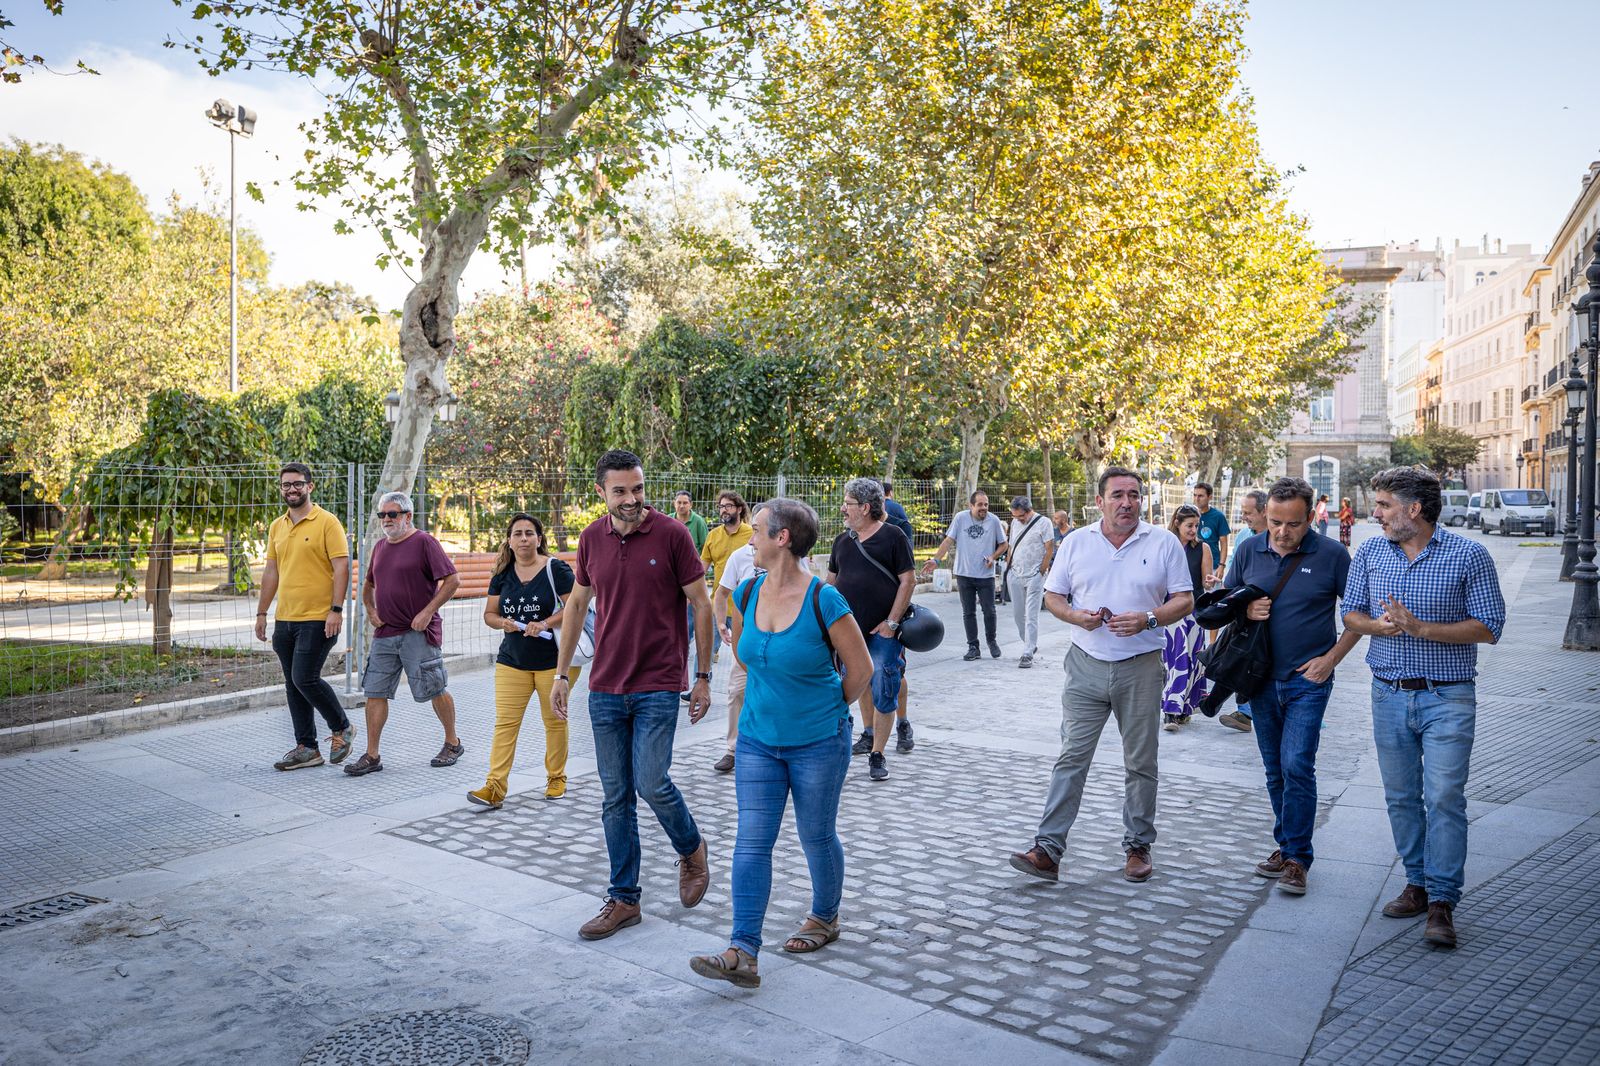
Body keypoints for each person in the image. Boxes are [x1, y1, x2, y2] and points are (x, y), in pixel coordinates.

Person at [688, 498, 873, 989]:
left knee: (815, 834)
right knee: (752, 841)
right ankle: (742, 949)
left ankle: (825, 916)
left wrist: (831, 711)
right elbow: (749, 658)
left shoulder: (823, 599)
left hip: (817, 742)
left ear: (782, 538)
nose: (749, 535)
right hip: (757, 741)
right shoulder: (746, 594)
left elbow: (861, 670)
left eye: (757, 529)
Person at [551, 449, 715, 941]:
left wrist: (702, 675)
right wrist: (563, 673)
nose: (631, 499)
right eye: (620, 490)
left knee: (650, 781)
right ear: (600, 492)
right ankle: (624, 899)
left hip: (658, 683)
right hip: (604, 686)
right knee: (615, 796)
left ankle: (690, 848)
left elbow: (702, 606)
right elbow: (578, 603)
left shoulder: (672, 534)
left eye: (637, 489)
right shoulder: (589, 539)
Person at [1342, 466, 1504, 948]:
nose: (1377, 514)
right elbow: (1349, 612)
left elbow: (1490, 626)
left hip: (1447, 695)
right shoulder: (1371, 551)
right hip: (1387, 692)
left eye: (1385, 505)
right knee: (1400, 796)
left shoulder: (1469, 555)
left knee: (1445, 798)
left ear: (1415, 509)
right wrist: (1375, 627)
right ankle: (1416, 884)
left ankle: (1442, 902)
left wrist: (1422, 628)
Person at [1009, 467, 1193, 884]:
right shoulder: (1076, 542)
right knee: (1071, 757)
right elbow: (1054, 596)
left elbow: (1184, 599)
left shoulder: (1163, 542)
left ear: (1142, 500)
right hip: (1085, 664)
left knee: (1141, 761)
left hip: (1141, 667)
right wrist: (1077, 616)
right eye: (1117, 495)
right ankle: (1048, 850)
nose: (1126, 502)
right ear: (1100, 501)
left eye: (1133, 495)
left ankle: (1138, 846)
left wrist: (1148, 619)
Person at [1225, 478, 1360, 896]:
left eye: (1293, 524)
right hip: (1260, 678)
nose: (1282, 532)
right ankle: (1286, 846)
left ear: (1310, 519)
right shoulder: (1249, 548)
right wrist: (1245, 606)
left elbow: (1359, 615)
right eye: (1275, 522)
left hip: (1308, 681)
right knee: (1274, 769)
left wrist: (1331, 659)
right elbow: (1225, 600)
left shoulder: (1333, 555)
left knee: (1297, 764)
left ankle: (1298, 858)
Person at [345, 491, 464, 777]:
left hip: (418, 633)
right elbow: (367, 586)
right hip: (385, 635)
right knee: (374, 692)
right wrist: (371, 612)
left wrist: (427, 612)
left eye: (392, 514)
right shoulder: (379, 548)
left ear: (407, 516)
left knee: (435, 688)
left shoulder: (424, 542)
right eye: (382, 515)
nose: (386, 519)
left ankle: (453, 742)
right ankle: (372, 755)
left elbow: (453, 580)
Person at [468, 513, 581, 808]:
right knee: (505, 724)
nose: (523, 539)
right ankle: (494, 787)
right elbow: (489, 614)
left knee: (555, 721)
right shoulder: (502, 574)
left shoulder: (556, 569)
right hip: (512, 660)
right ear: (509, 540)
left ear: (539, 539)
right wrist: (502, 623)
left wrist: (545, 623)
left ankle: (556, 778)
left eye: (529, 533)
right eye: (517, 534)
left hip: (553, 662)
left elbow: (575, 608)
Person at [255, 463, 356, 771]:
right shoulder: (277, 526)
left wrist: (336, 610)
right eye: (286, 485)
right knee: (292, 683)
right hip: (285, 619)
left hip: (318, 616)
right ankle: (307, 748)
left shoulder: (327, 522)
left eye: (298, 484)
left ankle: (342, 727)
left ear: (310, 487)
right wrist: (262, 612)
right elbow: (271, 572)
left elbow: (342, 567)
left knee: (304, 677)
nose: (292, 490)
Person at [827, 477, 915, 782]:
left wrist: (891, 623)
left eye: (848, 503)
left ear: (865, 507)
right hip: (848, 631)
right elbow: (830, 584)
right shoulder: (842, 541)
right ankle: (866, 732)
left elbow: (908, 581)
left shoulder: (893, 537)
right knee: (859, 680)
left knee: (884, 684)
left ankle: (878, 753)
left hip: (883, 632)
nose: (843, 509)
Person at [921, 491, 1006, 661]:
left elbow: (1004, 545)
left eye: (986, 504)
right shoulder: (961, 518)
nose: (984, 508)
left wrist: (992, 557)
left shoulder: (994, 520)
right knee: (969, 612)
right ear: (971, 505)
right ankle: (973, 646)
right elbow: (948, 541)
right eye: (980, 505)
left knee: (989, 610)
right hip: (964, 574)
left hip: (986, 575)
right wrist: (936, 560)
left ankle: (992, 641)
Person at [1218, 489, 1269, 734]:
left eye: (1248, 513)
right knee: (1243, 660)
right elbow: (1232, 575)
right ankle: (1245, 711)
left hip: (1270, 618)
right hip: (1245, 614)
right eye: (1243, 512)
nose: (1244, 516)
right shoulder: (1243, 538)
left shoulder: (1282, 537)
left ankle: (1251, 711)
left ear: (1264, 511)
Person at [693, 490, 753, 684]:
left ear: (739, 509)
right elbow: (701, 569)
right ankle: (698, 685)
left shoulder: (752, 534)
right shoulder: (713, 536)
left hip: (745, 607)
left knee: (745, 652)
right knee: (705, 648)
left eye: (728, 506)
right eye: (721, 506)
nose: (724, 510)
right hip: (718, 604)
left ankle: (749, 687)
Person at [1160, 504, 1210, 731]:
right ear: (1177, 524)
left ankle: (1182, 708)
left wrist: (1211, 582)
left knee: (1193, 661)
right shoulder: (1164, 546)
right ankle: (1170, 710)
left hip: (1194, 612)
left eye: (1196, 526)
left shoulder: (1203, 549)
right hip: (1169, 610)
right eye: (1189, 525)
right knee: (1176, 658)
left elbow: (1205, 582)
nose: (1193, 530)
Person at [710, 540, 758, 773]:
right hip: (747, 639)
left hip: (780, 639)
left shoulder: (788, 554)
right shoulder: (740, 556)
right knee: (737, 691)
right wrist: (721, 622)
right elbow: (721, 593)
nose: (752, 539)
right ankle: (733, 750)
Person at [996, 496, 1054, 669]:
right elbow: (1011, 545)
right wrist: (1008, 566)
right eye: (1015, 516)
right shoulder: (1015, 523)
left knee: (1031, 615)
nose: (1018, 519)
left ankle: (1027, 652)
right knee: (1017, 614)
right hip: (1015, 573)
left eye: (1021, 516)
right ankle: (1029, 642)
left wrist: (1041, 572)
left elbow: (1049, 548)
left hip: (1035, 575)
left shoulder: (1044, 523)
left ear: (1029, 511)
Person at [1193, 482, 1231, 582]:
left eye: (1200, 496)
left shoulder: (1218, 516)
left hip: (1213, 566)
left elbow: (1224, 544)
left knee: (1211, 596)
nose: (1197, 499)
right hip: (1193, 564)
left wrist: (1222, 566)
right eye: (1195, 495)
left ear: (1210, 497)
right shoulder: (1190, 515)